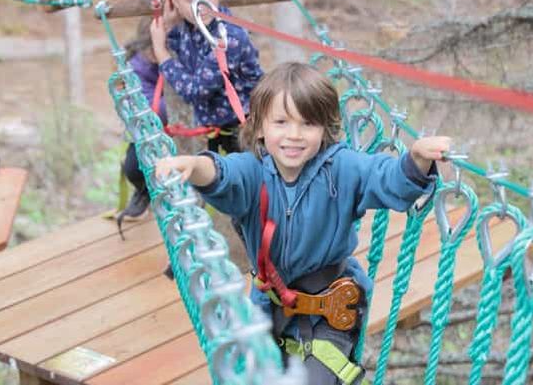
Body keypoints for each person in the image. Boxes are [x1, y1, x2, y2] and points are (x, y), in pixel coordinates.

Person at [155, 62, 450, 384]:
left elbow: (386, 177)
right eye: (281, 122)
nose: (294, 135)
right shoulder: (253, 171)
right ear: (260, 127)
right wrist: (194, 165)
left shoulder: (343, 168)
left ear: (324, 128)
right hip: (268, 306)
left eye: (307, 123)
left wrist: (417, 160)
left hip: (330, 310)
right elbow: (224, 175)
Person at [150, 0, 263, 155]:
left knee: (245, 175)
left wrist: (161, 52)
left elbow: (195, 91)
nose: (199, 5)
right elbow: (184, 52)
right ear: (174, 0)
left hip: (248, 129)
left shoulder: (229, 37)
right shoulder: (190, 28)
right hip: (219, 130)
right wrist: (169, 26)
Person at [117, 17, 166, 222]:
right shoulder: (137, 66)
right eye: (149, 48)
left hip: (184, 131)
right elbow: (147, 107)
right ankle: (143, 191)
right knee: (133, 169)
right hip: (149, 130)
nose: (154, 53)